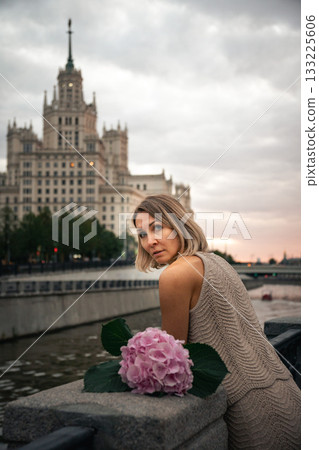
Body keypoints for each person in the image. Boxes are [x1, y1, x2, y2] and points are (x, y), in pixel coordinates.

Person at [133, 194, 301, 450]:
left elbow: (171, 361)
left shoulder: (175, 275)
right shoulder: (220, 263)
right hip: (289, 393)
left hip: (248, 411)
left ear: (179, 225)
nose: (150, 241)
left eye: (157, 227)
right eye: (142, 234)